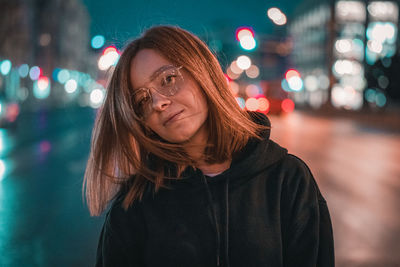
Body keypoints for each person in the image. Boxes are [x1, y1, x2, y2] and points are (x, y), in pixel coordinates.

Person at [84, 25, 334, 267]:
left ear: (202, 71)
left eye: (168, 79)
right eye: (141, 100)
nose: (158, 102)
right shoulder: (134, 205)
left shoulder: (287, 180)